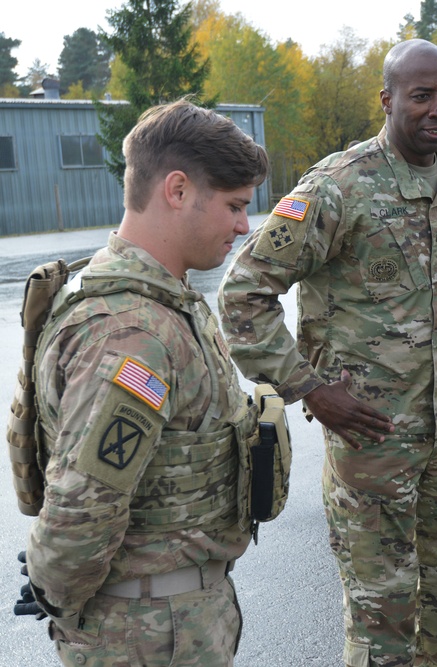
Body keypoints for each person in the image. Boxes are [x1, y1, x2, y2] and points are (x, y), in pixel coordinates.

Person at [218, 39, 437, 667]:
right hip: (372, 448)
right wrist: (309, 388)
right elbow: (244, 295)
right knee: (383, 619)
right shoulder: (338, 188)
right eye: (422, 95)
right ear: (388, 99)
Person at [18, 99, 269, 666]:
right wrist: (55, 590)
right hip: (150, 636)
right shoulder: (131, 333)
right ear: (176, 190)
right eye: (233, 205)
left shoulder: (159, 300)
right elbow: (82, 510)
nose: (243, 225)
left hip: (169, 620)